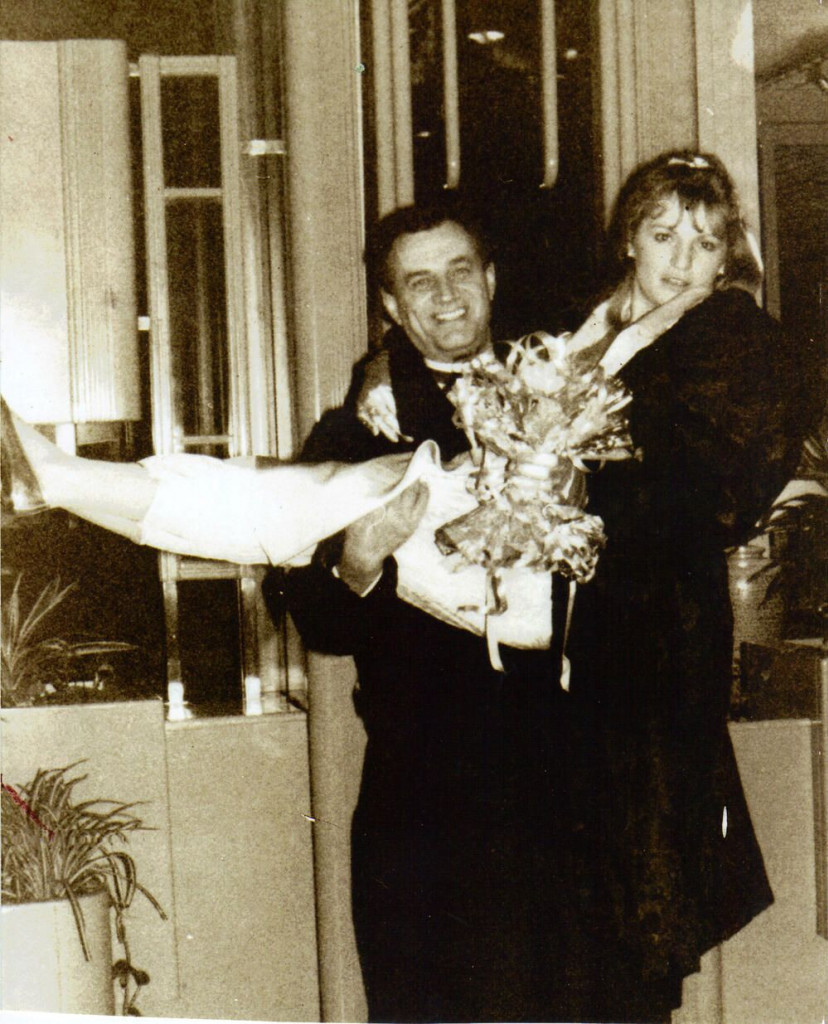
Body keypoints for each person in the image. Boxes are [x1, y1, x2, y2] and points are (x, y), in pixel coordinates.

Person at [264, 202, 584, 1022]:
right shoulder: (353, 436)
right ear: (391, 305)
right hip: (424, 796)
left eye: (459, 271)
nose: (445, 297)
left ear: (491, 280)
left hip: (568, 780)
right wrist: (360, 557)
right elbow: (317, 623)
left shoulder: (566, 407)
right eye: (418, 282)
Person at [555, 149, 817, 1023]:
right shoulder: (592, 325)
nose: (680, 259)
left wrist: (590, 479)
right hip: (574, 626)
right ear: (628, 236)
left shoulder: (732, 336)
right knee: (574, 882)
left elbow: (721, 494)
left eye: (705, 244)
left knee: (641, 870)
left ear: (726, 256)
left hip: (655, 626)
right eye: (663, 234)